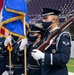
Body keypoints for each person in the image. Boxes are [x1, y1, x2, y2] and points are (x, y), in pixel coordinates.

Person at [31, 8, 71, 75]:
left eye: (46, 18)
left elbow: (64, 58)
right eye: (43, 18)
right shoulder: (46, 36)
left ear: (54, 20)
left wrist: (43, 56)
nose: (43, 21)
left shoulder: (63, 35)